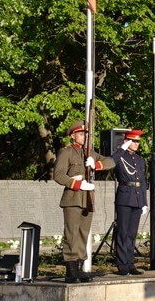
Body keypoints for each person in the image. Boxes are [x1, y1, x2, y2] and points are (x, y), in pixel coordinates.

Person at [53, 120, 115, 283]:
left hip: (87, 199)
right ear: (73, 136)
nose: (84, 137)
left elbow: (111, 161)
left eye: (86, 134)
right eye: (81, 134)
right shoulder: (66, 152)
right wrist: (78, 184)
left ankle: (79, 269)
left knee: (83, 234)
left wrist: (96, 164)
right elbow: (58, 175)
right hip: (73, 198)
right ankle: (71, 270)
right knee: (71, 234)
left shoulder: (89, 153)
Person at [111, 129, 148, 275]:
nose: (136, 144)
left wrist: (144, 202)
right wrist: (121, 149)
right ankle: (121, 264)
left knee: (132, 233)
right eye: (134, 141)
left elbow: (143, 182)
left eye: (138, 141)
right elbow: (112, 161)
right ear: (127, 141)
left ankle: (130, 262)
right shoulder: (120, 156)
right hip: (125, 197)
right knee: (123, 232)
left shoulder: (140, 160)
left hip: (137, 198)